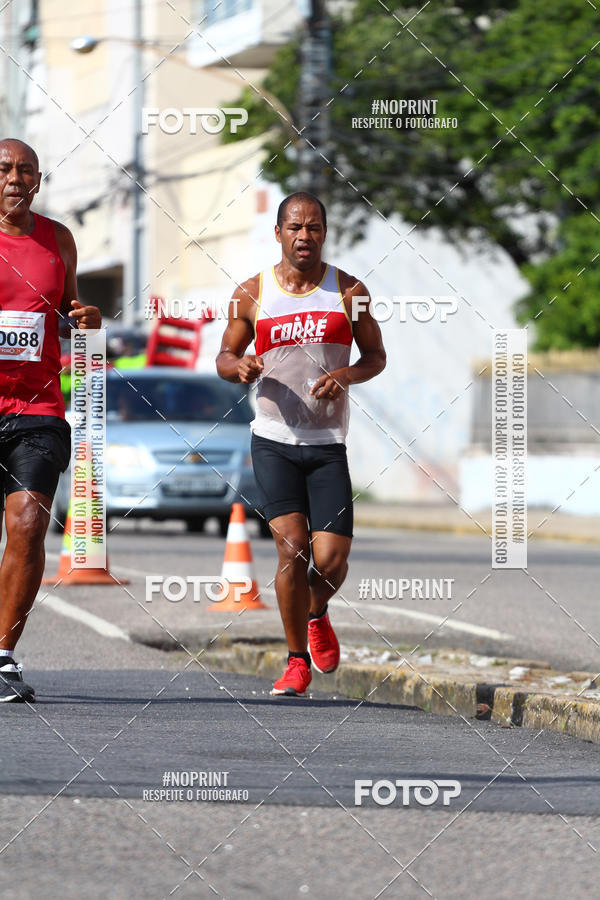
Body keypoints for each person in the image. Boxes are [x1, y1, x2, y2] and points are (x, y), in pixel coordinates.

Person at [216, 191, 386, 696]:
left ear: (324, 233)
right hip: (272, 440)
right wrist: (238, 367)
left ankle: (317, 612)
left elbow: (376, 355)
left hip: (327, 441)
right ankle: (295, 661)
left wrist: (347, 374)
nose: (304, 236)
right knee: (291, 549)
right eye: (294, 227)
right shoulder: (252, 292)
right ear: (278, 233)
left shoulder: (349, 290)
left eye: (313, 227)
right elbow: (224, 355)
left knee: (330, 561)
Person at [0, 139, 101, 702]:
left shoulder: (57, 239)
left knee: (29, 523)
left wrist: (84, 318)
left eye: (26, 171)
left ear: (38, 181)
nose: (16, 179)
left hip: (38, 410)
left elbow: (71, 313)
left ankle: (3, 656)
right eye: (5, 170)